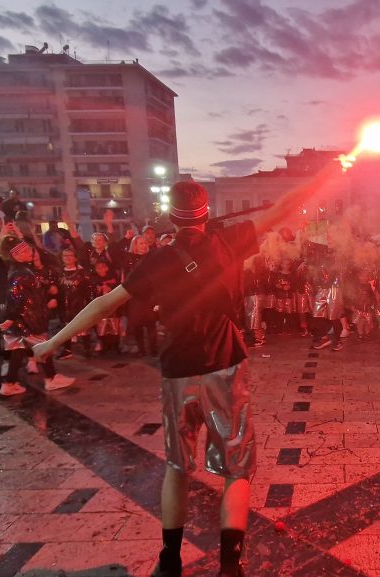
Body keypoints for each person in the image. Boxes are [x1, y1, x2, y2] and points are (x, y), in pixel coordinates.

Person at [34, 172, 333, 577]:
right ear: (205, 211)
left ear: (171, 218)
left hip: (178, 369)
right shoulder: (230, 241)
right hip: (226, 363)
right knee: (236, 468)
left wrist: (53, 342)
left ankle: (169, 562)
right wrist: (325, 175)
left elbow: (104, 304)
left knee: (177, 466)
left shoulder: (155, 261)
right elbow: (283, 207)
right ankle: (231, 566)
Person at [0, 238, 75, 395]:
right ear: (15, 255)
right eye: (23, 251)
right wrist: (12, 317)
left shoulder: (22, 270)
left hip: (23, 319)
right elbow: (17, 298)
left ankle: (9, 383)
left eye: (28, 249)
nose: (29, 252)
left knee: (18, 352)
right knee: (42, 348)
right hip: (28, 319)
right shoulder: (20, 273)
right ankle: (51, 379)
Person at [55, 248, 95, 359]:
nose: (68, 257)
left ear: (75, 257)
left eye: (70, 255)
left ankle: (87, 350)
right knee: (66, 329)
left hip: (80, 305)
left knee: (84, 328)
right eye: (65, 255)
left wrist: (89, 303)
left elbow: (89, 289)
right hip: (65, 307)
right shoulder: (59, 273)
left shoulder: (82, 273)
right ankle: (67, 350)